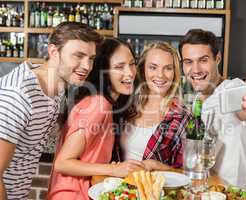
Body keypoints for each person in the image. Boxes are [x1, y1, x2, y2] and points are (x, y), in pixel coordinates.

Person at [0, 22, 102, 200]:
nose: (87, 66)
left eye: (91, 58)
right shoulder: (18, 95)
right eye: (79, 55)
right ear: (54, 51)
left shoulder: (58, 86)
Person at [48, 38, 145, 200]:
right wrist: (114, 169)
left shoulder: (104, 103)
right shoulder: (98, 104)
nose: (130, 73)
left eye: (132, 64)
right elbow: (63, 163)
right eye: (119, 67)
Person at [178, 29, 246, 187]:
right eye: (188, 61)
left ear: (217, 59)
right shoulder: (197, 100)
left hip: (233, 194)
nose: (195, 69)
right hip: (206, 193)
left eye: (203, 60)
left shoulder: (232, 88)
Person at [120, 41, 193, 171]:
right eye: (153, 67)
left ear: (175, 73)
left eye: (168, 68)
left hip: (157, 189)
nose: (160, 75)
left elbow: (189, 173)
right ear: (142, 70)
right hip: (118, 188)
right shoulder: (126, 104)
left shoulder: (182, 116)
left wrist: (157, 166)